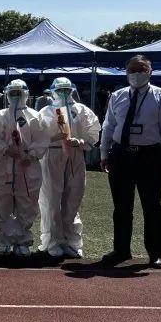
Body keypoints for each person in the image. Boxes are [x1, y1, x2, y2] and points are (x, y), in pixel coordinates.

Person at [100, 55, 161, 269]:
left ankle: (155, 253)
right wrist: (104, 153)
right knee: (121, 206)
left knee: (152, 206)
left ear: (150, 71)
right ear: (126, 73)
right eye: (132, 70)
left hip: (149, 156)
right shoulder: (117, 96)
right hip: (121, 155)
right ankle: (121, 250)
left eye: (141, 69)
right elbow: (108, 126)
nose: (137, 73)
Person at [37, 77, 101, 258]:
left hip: (75, 154)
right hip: (52, 154)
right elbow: (37, 134)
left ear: (72, 90)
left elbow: (93, 131)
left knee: (73, 197)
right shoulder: (46, 111)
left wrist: (81, 141)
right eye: (60, 90)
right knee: (51, 199)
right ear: (53, 92)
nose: (63, 93)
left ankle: (72, 241)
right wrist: (53, 138)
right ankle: (52, 241)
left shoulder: (82, 110)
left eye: (67, 90)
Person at [0, 79, 48, 256]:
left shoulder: (35, 116)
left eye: (18, 93)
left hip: (27, 167)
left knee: (27, 202)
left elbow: (42, 139)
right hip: (3, 165)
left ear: (25, 94)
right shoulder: (0, 115)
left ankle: (22, 240)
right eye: (12, 93)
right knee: (1, 202)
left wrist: (31, 155)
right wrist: (6, 150)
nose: (15, 96)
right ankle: (2, 240)